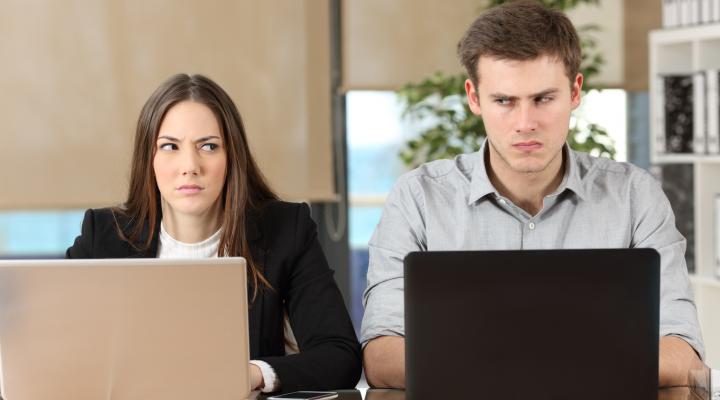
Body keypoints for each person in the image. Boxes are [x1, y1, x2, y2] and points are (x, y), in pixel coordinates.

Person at [361, 1, 705, 389]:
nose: (525, 123)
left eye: (543, 98)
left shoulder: (634, 195)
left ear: (575, 91)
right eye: (504, 101)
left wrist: (498, 364)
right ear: (474, 98)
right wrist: (572, 362)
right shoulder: (418, 199)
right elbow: (381, 356)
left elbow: (682, 353)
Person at [66, 73, 361, 394]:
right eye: (169, 147)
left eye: (208, 146)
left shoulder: (285, 229)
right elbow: (51, 342)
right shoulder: (104, 235)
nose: (190, 165)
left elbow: (339, 356)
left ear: (232, 156)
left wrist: (249, 374)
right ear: (148, 159)